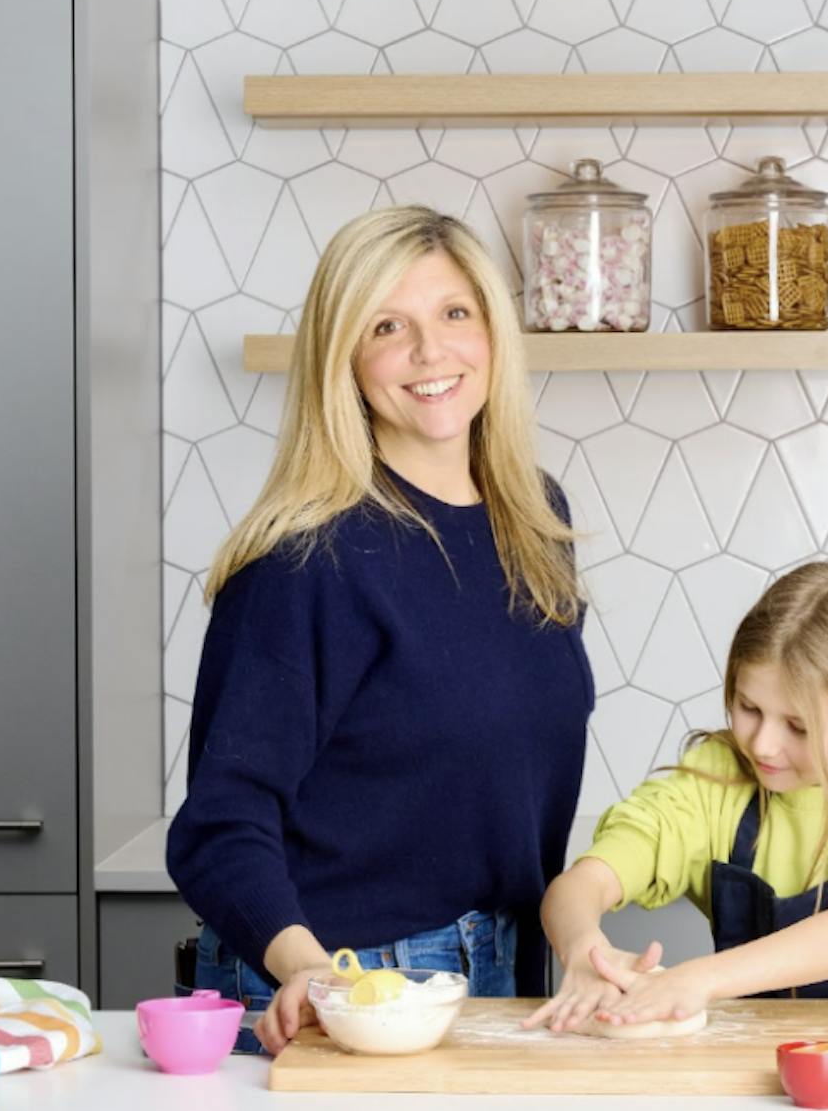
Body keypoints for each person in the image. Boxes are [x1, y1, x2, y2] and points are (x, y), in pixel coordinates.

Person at [167, 205, 594, 1055]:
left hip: (499, 965)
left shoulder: (535, 516)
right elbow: (220, 826)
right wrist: (318, 976)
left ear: (493, 333)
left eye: (454, 314)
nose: (431, 352)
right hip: (347, 984)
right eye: (387, 326)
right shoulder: (306, 557)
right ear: (344, 360)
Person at [525, 561, 828, 1033]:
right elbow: (582, 883)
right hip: (757, 1073)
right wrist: (584, 949)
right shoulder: (719, 781)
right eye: (749, 707)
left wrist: (694, 980)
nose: (762, 744)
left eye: (798, 726)